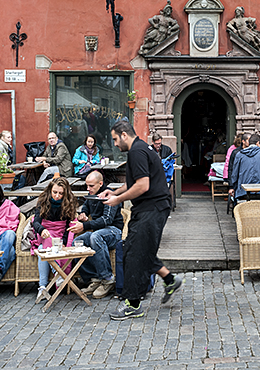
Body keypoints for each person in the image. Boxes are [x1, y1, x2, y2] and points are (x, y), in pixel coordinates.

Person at [98, 121, 183, 320]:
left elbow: (143, 185)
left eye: (116, 139)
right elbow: (134, 181)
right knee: (138, 249)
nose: (115, 144)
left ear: (124, 135)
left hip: (151, 208)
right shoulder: (142, 148)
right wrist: (114, 191)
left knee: (135, 254)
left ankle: (133, 304)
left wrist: (117, 200)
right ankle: (170, 280)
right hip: (152, 207)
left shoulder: (137, 152)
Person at [70, 170, 123, 299]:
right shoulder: (91, 194)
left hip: (114, 231)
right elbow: (86, 207)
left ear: (100, 183)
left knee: (95, 236)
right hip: (98, 231)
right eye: (87, 186)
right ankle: (94, 278)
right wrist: (82, 214)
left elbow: (107, 220)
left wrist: (85, 225)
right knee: (78, 241)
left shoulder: (108, 194)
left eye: (91, 186)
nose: (88, 189)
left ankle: (107, 279)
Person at [31, 177, 79, 301]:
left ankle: (42, 287)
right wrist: (42, 230)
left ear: (65, 193)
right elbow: (35, 222)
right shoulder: (43, 201)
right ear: (50, 191)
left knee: (42, 249)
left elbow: (70, 226)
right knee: (46, 241)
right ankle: (58, 274)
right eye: (55, 192)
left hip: (59, 237)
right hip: (44, 234)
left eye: (61, 193)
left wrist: (65, 244)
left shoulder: (69, 203)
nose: (57, 195)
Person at [229, 133, 260, 201]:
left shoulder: (239, 155)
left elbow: (234, 175)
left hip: (243, 193)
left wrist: (235, 188)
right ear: (258, 143)